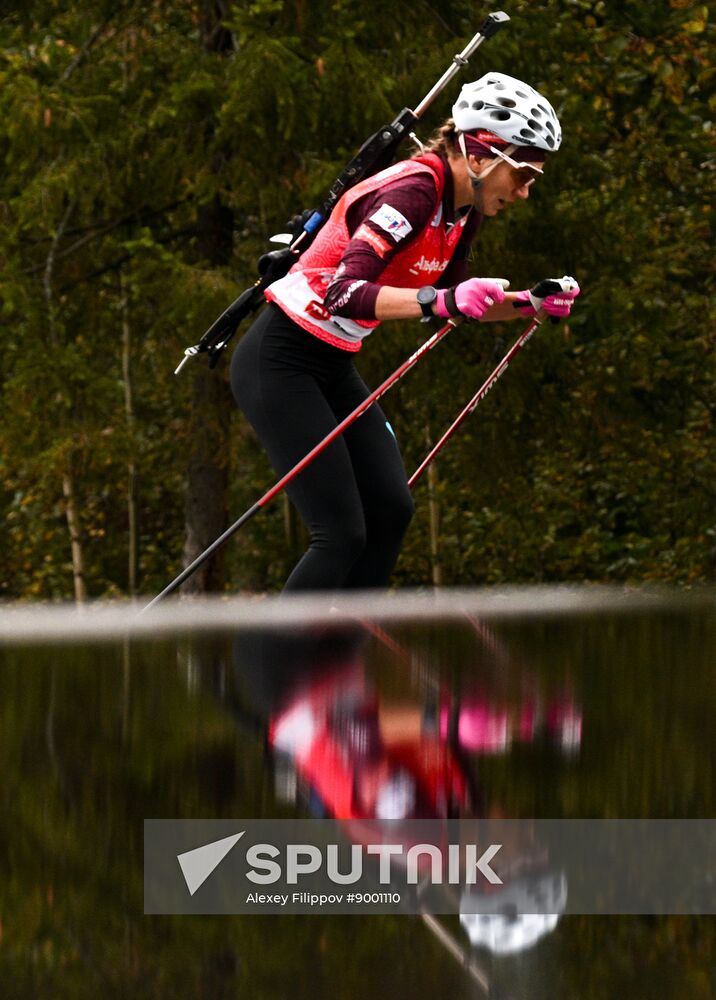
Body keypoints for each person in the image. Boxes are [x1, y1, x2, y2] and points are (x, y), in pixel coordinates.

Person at [230, 72, 580, 592]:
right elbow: (343, 294)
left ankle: (345, 661)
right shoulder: (412, 192)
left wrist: (530, 303)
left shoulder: (463, 208)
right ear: (480, 155)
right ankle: (281, 665)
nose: (526, 192)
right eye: (524, 174)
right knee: (341, 534)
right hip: (280, 361)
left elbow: (462, 302)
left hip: (331, 361)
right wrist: (439, 301)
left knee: (392, 511)